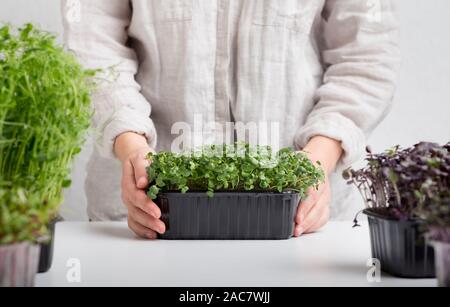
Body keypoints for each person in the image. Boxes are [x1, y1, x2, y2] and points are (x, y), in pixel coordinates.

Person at [62, 0, 400, 239]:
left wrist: (317, 159)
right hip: (148, 210)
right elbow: (92, 45)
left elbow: (366, 55)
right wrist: (132, 148)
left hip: (298, 212)